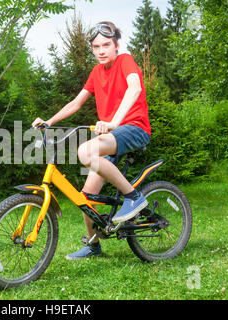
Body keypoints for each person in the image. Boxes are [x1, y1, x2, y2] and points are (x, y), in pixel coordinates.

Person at [31, 21, 151, 260]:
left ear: (116, 45)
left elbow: (134, 89)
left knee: (85, 152)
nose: (101, 50)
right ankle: (94, 245)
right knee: (85, 198)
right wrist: (50, 121)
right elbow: (76, 103)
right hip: (111, 135)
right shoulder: (96, 73)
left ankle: (134, 197)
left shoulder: (125, 60)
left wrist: (115, 121)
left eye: (106, 44)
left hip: (134, 128)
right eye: (96, 46)